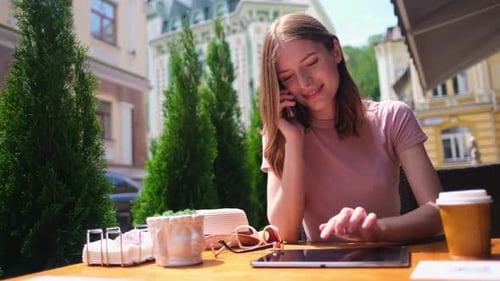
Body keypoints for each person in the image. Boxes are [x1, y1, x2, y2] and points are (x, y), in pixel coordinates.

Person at [259, 12, 443, 243]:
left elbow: (439, 212)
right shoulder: (282, 132)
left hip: (388, 268)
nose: (305, 83)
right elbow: (283, 233)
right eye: (287, 77)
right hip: (321, 275)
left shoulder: (393, 117)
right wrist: (294, 142)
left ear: (335, 51)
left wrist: (375, 230)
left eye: (311, 63)